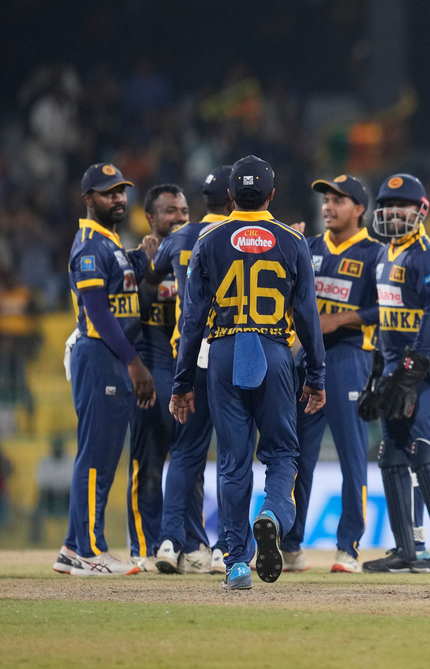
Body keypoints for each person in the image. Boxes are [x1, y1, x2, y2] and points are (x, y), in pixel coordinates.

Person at [169, 155, 326, 591]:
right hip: (275, 349)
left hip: (223, 350)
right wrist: (317, 376)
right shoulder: (292, 242)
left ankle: (237, 563)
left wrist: (182, 383)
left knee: (234, 462)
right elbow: (309, 318)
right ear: (272, 195)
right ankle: (272, 514)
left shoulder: (209, 240)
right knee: (282, 455)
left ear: (231, 196)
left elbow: (192, 319)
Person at [358, 173, 430, 574]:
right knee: (393, 455)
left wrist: (413, 369)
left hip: (427, 367)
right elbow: (386, 317)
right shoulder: (385, 253)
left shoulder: (427, 254)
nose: (393, 212)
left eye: (402, 205)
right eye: (387, 205)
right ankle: (409, 549)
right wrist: (378, 370)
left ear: (421, 210)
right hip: (395, 366)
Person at [53, 163, 156, 576]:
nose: (118, 198)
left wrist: (142, 259)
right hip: (101, 354)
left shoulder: (110, 243)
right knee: (97, 455)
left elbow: (122, 290)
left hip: (108, 355)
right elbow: (97, 310)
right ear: (88, 199)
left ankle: (72, 547)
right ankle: (91, 551)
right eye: (107, 192)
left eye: (121, 191)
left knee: (99, 452)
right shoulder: (91, 244)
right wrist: (134, 362)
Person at [281, 175, 382, 574]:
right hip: (306, 359)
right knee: (299, 455)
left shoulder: (376, 253)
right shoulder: (309, 248)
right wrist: (286, 248)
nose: (328, 206)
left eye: (338, 200)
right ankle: (291, 546)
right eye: (325, 199)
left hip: (348, 357)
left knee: (352, 455)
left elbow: (386, 308)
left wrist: (338, 319)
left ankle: (348, 548)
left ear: (359, 209)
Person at [150, 166, 235, 575]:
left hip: (190, 355)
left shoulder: (182, 236)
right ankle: (225, 547)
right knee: (234, 455)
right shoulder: (246, 235)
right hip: (234, 352)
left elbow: (152, 272)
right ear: (235, 200)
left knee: (185, 452)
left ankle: (168, 542)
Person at [127, 184, 189, 571]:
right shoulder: (133, 261)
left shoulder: (197, 256)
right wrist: (150, 273)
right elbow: (129, 318)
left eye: (184, 210)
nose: (180, 218)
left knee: (189, 465)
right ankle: (143, 548)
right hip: (150, 369)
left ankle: (183, 545)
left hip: (186, 371)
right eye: (171, 211)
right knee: (147, 465)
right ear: (151, 218)